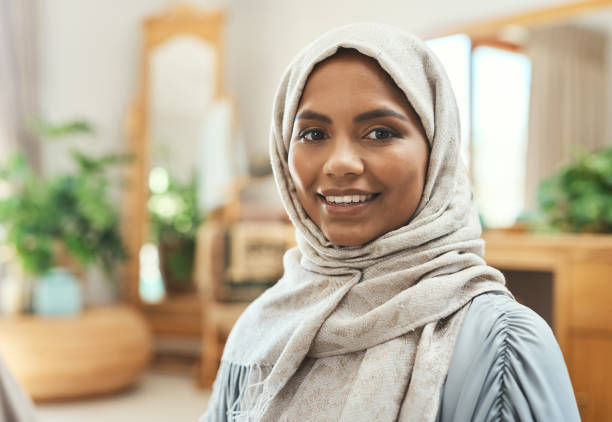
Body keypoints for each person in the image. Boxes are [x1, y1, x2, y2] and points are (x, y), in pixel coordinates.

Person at [202, 23, 580, 422]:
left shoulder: (501, 345)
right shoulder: (262, 326)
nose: (340, 163)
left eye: (379, 132)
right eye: (313, 134)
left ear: (436, 153)